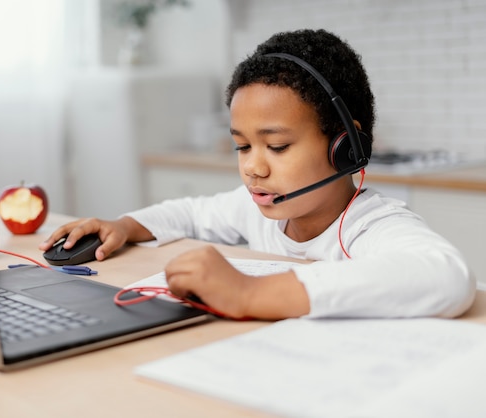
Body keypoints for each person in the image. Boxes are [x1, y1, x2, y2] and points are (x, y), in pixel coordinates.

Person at [40, 29, 475, 320]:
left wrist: (251, 295)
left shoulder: (372, 225)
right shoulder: (256, 208)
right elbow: (188, 213)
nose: (253, 166)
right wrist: (124, 226)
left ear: (346, 147)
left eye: (278, 146)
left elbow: (446, 277)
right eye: (242, 146)